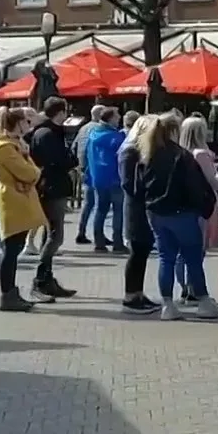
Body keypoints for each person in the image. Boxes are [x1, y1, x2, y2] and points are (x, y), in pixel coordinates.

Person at [135, 114, 218, 321]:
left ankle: (168, 303)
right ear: (175, 131)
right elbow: (196, 186)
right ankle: (202, 300)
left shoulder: (148, 154)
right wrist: (204, 206)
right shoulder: (181, 156)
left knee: (166, 258)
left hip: (156, 213)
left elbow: (138, 186)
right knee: (192, 258)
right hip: (182, 212)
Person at [0, 107, 45, 312]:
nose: (28, 126)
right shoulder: (5, 148)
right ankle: (8, 295)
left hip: (16, 198)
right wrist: (32, 166)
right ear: (17, 123)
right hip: (12, 200)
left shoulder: (12, 146)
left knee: (14, 247)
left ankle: (11, 292)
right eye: (25, 122)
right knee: (11, 249)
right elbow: (28, 173)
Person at [24, 98, 79, 301]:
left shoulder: (44, 132)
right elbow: (62, 160)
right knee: (55, 236)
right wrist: (70, 159)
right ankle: (40, 278)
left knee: (50, 234)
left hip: (49, 185)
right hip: (52, 187)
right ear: (60, 112)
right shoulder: (48, 134)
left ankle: (47, 278)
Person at [116, 115, 161, 315]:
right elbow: (129, 185)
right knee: (137, 250)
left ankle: (138, 292)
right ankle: (130, 296)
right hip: (135, 208)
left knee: (142, 250)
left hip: (144, 207)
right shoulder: (129, 153)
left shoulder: (143, 151)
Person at [80, 107, 126, 253]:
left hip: (97, 177)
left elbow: (85, 154)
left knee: (100, 210)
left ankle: (99, 242)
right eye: (117, 116)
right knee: (118, 211)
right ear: (110, 118)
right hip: (115, 178)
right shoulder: (117, 137)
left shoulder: (93, 134)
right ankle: (118, 242)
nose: (119, 118)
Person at [180, 115, 218, 254]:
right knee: (197, 251)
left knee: (182, 252)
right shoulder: (201, 154)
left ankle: (181, 277)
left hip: (183, 202)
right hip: (203, 202)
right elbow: (215, 182)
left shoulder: (180, 153)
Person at [73, 105, 109, 246]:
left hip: (83, 167)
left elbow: (75, 146)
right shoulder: (98, 130)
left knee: (88, 204)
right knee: (99, 204)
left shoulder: (83, 128)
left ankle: (81, 231)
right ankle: (98, 234)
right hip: (92, 169)